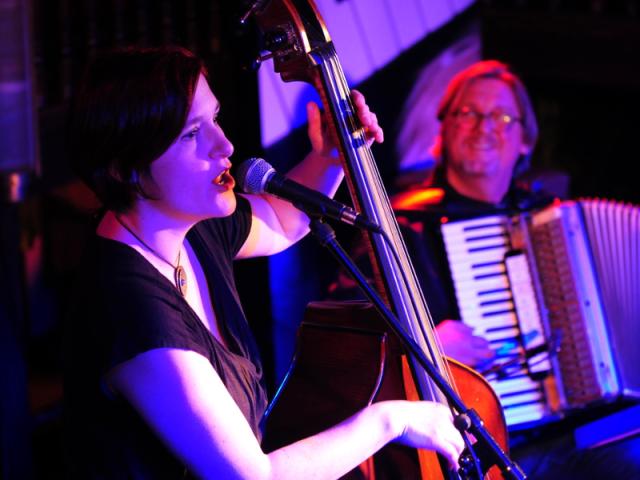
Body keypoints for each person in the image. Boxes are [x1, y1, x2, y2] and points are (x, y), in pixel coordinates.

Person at [62, 46, 465, 479]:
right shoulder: (132, 311)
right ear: (128, 169)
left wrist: (333, 153)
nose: (225, 145)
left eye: (213, 119)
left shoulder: (185, 223)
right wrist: (392, 420)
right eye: (190, 134)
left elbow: (280, 219)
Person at [369, 59, 640, 479]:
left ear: (525, 140)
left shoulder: (556, 219)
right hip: (486, 446)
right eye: (468, 113)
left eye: (502, 116)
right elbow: (351, 338)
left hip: (585, 431)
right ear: (442, 130)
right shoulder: (397, 227)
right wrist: (427, 350)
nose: (484, 127)